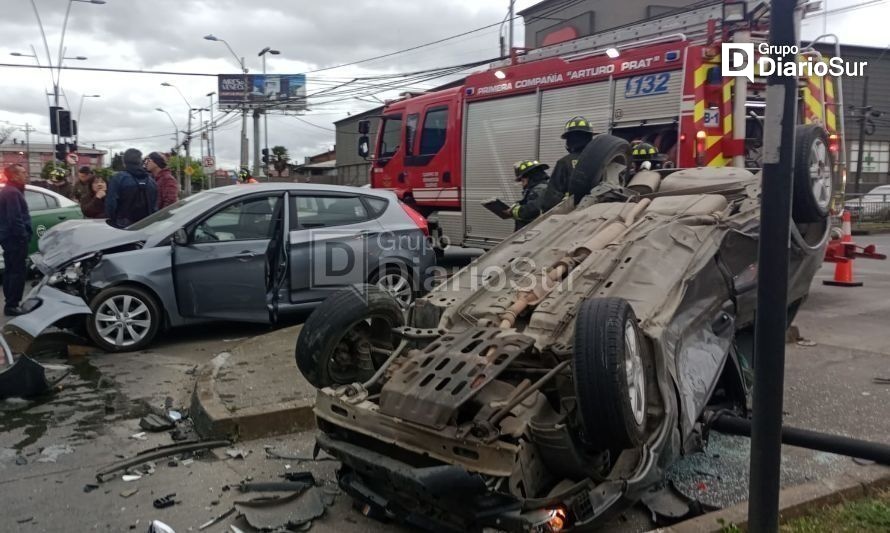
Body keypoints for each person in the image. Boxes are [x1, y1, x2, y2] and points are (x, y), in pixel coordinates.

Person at [0, 164, 32, 316]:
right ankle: (12, 305)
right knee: (17, 272)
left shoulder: (9, 190)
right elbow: (15, 218)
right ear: (13, 176)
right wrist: (23, 236)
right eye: (23, 172)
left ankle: (10, 303)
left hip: (9, 238)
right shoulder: (12, 192)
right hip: (15, 239)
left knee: (10, 270)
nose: (26, 174)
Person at [545, 115, 595, 209]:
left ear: (569, 140)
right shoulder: (602, 159)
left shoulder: (564, 162)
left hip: (572, 215)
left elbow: (551, 199)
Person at [106, 148, 158, 228]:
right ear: (140, 161)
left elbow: (111, 206)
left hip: (123, 227)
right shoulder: (151, 181)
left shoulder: (118, 179)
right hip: (147, 227)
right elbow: (155, 207)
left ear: (124, 162)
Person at [507, 160, 551, 231]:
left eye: (522, 181)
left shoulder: (539, 189)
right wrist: (519, 204)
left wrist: (514, 211)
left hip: (534, 232)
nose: (522, 184)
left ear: (530, 177)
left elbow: (531, 211)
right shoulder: (544, 187)